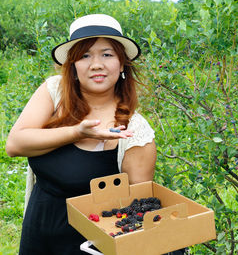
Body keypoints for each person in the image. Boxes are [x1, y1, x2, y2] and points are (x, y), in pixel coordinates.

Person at [5, 14, 158, 254]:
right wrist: (77, 132)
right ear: (73, 65)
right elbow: (15, 145)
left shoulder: (134, 131)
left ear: (122, 63)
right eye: (85, 55)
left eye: (107, 54)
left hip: (88, 247)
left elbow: (139, 210)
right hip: (37, 234)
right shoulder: (55, 93)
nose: (96, 64)